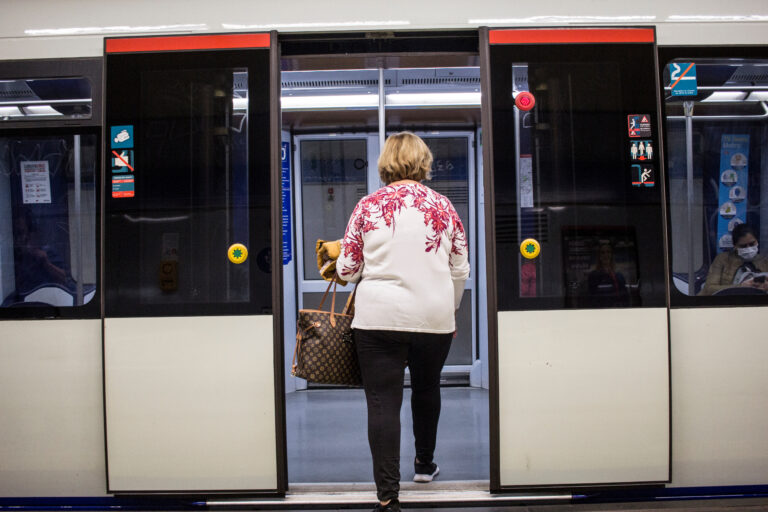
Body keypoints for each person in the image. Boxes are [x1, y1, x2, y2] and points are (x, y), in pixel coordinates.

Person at [333, 132, 469, 512]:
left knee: (382, 402)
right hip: (434, 317)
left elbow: (346, 270)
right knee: (427, 390)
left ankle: (388, 495)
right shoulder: (444, 206)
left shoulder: (367, 206)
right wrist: (450, 310)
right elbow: (460, 268)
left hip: (378, 319)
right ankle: (424, 465)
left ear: (385, 163)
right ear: (424, 162)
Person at [700, 223, 768, 295]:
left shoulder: (764, 261)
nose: (749, 248)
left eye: (752, 244)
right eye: (743, 246)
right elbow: (709, 289)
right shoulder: (722, 259)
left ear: (757, 241)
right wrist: (741, 287)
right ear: (735, 246)